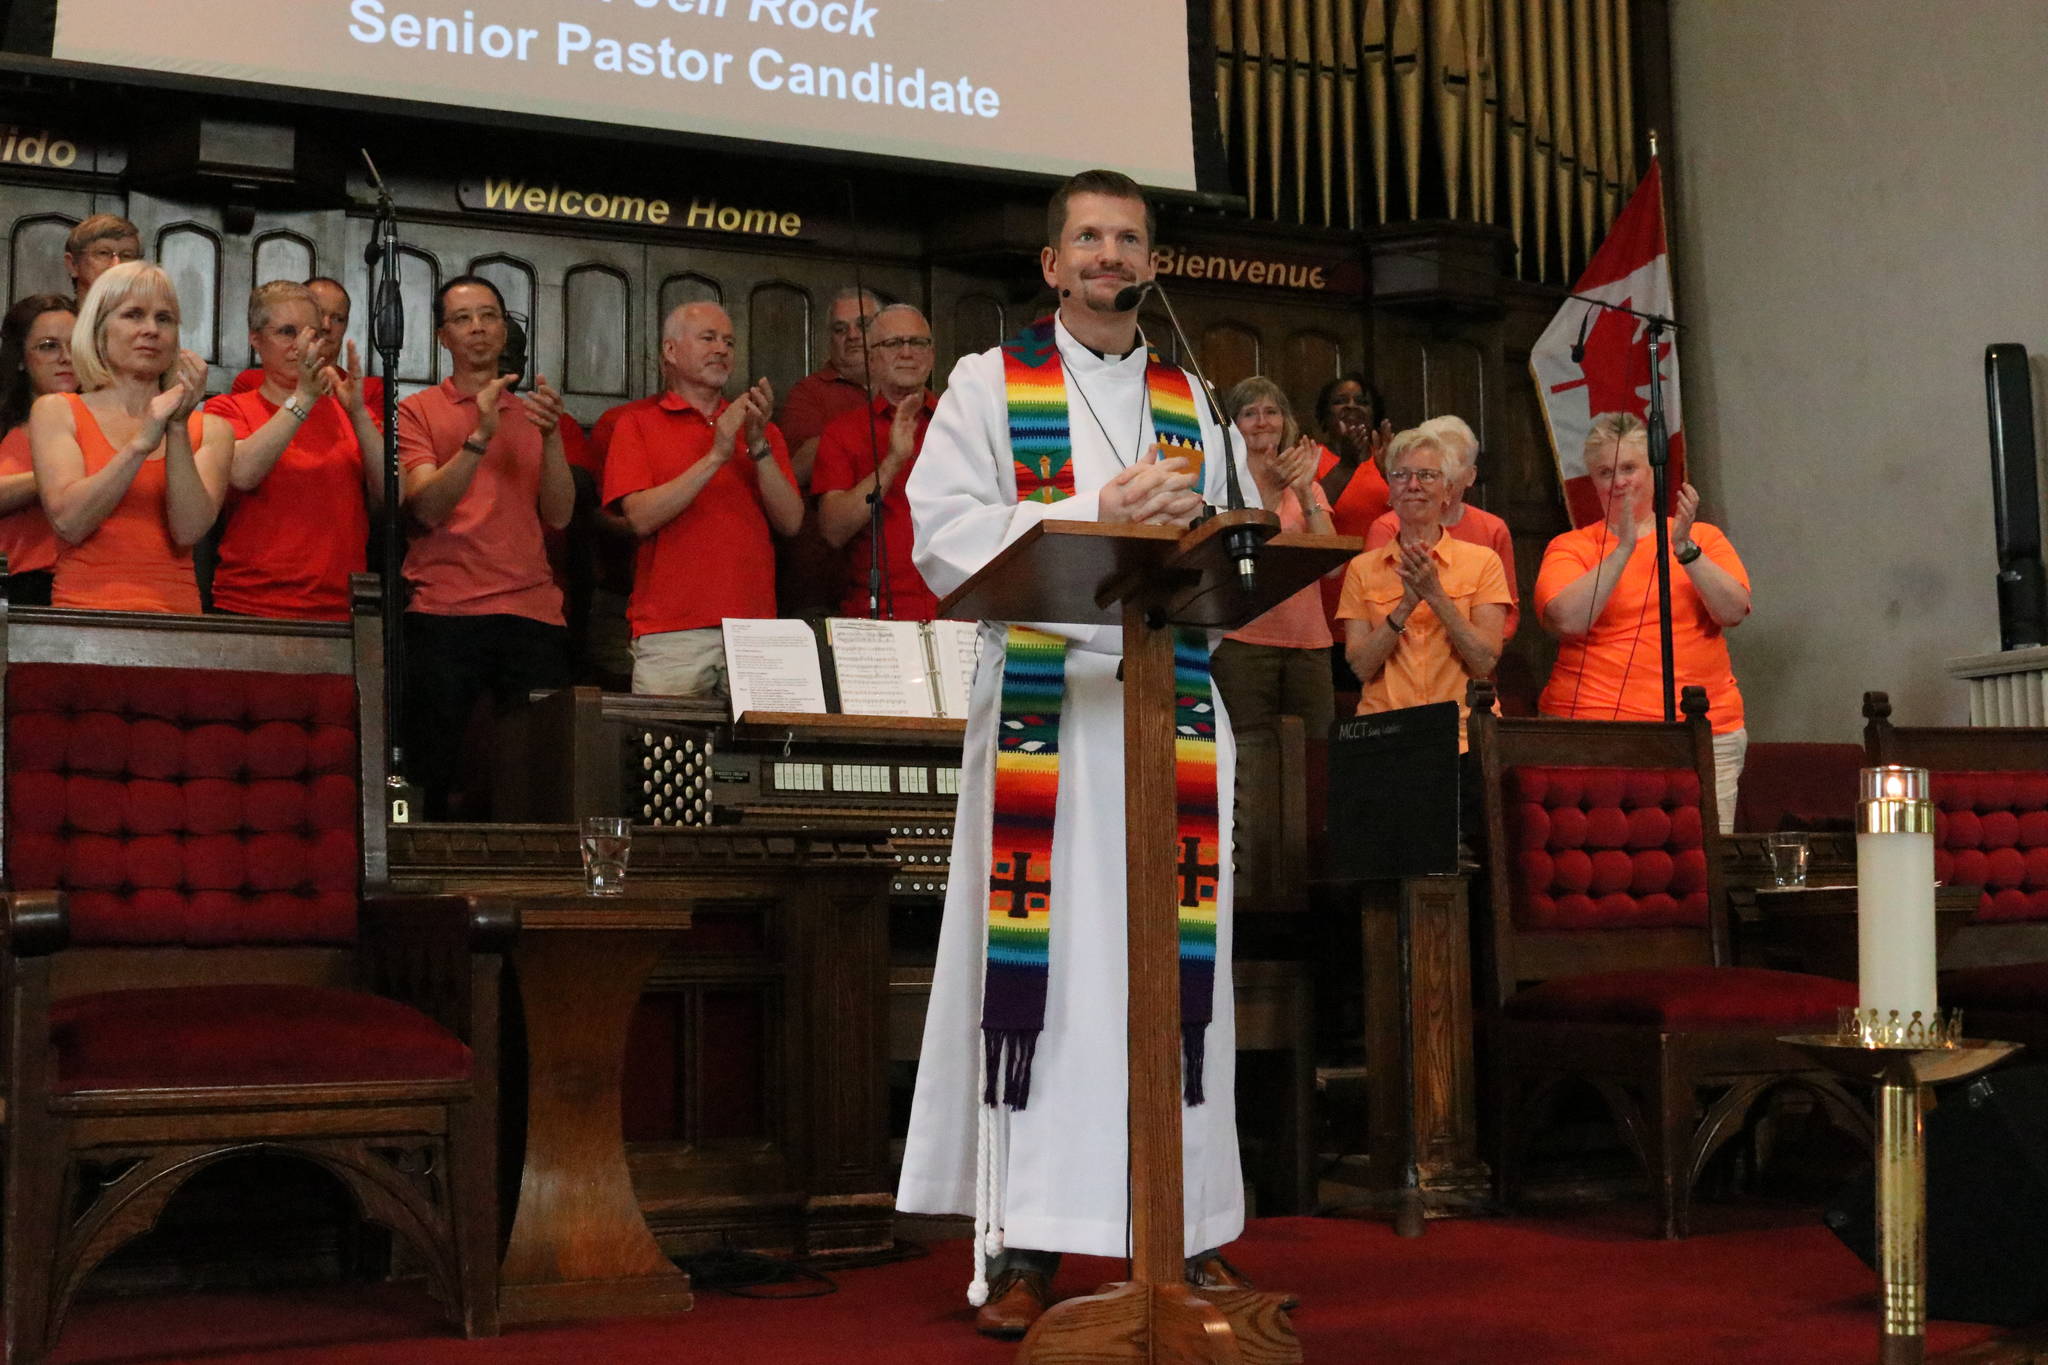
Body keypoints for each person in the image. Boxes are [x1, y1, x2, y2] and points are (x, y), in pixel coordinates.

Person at [900, 168, 1251, 1340]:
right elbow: (941, 535)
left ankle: (1185, 1233)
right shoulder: (989, 384)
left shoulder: (1190, 396)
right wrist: (1094, 509)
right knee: (1043, 982)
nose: (1109, 255)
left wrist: (1215, 527)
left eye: (1128, 239)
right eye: (1087, 238)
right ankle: (1027, 1248)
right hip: (1053, 719)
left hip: (1169, 715)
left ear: (1150, 265)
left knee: (1170, 971)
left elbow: (1243, 559)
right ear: (1050, 265)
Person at [396, 274, 578, 816]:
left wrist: (550, 437)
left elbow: (561, 514)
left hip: (531, 611)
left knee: (540, 778)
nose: (477, 328)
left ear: (504, 330)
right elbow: (425, 507)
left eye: (489, 315)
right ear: (442, 337)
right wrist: (479, 434)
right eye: (462, 318)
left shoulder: (537, 414)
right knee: (432, 771)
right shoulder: (419, 410)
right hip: (444, 609)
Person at [1535, 411, 1752, 830]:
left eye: (1629, 468)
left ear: (1653, 473)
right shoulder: (1571, 546)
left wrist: (1685, 549)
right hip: (1591, 730)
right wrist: (1622, 549)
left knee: (1702, 862)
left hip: (1702, 730)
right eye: (1605, 472)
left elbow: (1732, 611)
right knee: (1599, 862)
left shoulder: (1703, 538)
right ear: (1593, 482)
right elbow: (1565, 619)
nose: (1619, 482)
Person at [602, 301, 802, 697]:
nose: (722, 349)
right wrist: (717, 456)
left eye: (728, 342)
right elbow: (640, 518)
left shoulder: (760, 427)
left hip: (756, 631)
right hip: (671, 631)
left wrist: (758, 445)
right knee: (665, 754)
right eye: (708, 338)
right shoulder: (636, 424)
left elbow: (792, 522)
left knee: (760, 758)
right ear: (670, 351)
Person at [28, 262, 230, 613]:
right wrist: (141, 443)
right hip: (79, 620)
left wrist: (177, 427)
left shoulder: (212, 430)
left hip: (179, 623)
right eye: (134, 315)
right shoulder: (56, 411)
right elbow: (70, 522)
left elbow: (188, 532)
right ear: (99, 330)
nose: (151, 330)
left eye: (164, 319)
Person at [202, 281, 382, 620]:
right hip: (250, 602)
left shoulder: (353, 411)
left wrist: (358, 414)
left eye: (310, 334)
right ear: (256, 340)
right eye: (287, 332)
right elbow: (241, 473)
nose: (300, 346)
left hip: (341, 608)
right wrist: (304, 398)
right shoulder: (228, 408)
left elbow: (393, 496)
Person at [1337, 426, 1512, 749]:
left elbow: (1485, 659)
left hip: (1461, 738)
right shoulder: (1363, 569)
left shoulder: (1483, 562)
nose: (1413, 485)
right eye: (1401, 475)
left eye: (1427, 475)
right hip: (1384, 736)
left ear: (1447, 491)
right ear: (1390, 491)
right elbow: (1361, 666)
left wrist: (1434, 595)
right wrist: (1404, 606)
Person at [1209, 375, 1336, 734]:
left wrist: (1306, 494)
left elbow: (1332, 568)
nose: (1263, 421)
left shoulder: (1306, 484)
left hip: (1308, 643)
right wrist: (1269, 488)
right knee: (1249, 751)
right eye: (1250, 413)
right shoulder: (1224, 482)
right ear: (1233, 426)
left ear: (1286, 422)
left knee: (1316, 754)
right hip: (1242, 642)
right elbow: (1238, 548)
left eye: (1271, 411)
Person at [813, 303, 940, 620]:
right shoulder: (843, 432)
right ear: (871, 358)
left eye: (918, 342)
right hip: (878, 616)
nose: (908, 352)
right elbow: (832, 530)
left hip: (961, 614)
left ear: (932, 354)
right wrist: (892, 462)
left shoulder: (963, 422)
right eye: (895, 343)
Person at [774, 286, 881, 619]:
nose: (851, 335)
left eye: (863, 325)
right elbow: (795, 471)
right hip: (821, 583)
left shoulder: (911, 395)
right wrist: (866, 426)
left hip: (891, 578)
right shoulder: (810, 393)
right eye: (840, 328)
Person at [1364, 414, 1519, 639]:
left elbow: (1508, 614)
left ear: (1471, 475)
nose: (1442, 473)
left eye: (1450, 463)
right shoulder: (1386, 528)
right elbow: (1373, 611)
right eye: (1431, 467)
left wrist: (1478, 648)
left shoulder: (1493, 529)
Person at [0, 293, 77, 604]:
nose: (66, 357)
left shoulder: (109, 418)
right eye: (49, 346)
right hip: (11, 586)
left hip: (84, 587)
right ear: (20, 358)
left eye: (76, 345)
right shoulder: (5, 425)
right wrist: (51, 481)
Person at [230, 276, 386, 415]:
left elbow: (377, 447)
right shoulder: (251, 382)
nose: (325, 326)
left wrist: (356, 413)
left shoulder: (368, 390)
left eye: (337, 318)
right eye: (319, 314)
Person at [62, 214, 141, 300]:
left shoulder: (150, 313)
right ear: (73, 264)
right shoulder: (58, 313)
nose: (116, 265)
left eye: (126, 255)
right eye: (104, 253)